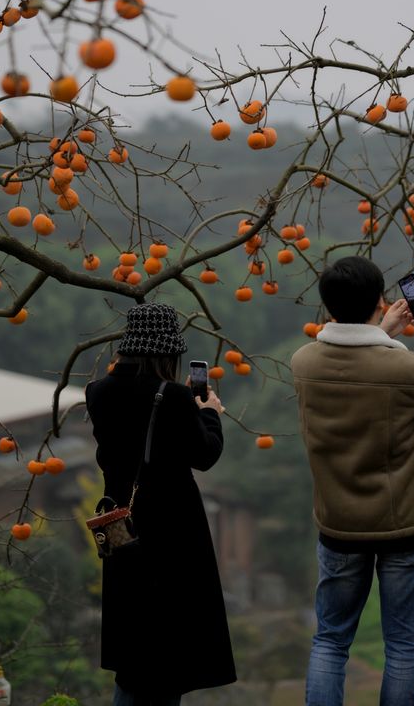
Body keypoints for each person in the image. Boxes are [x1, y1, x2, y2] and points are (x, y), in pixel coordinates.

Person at [291, 256, 414, 706]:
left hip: (339, 527)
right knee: (403, 646)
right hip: (406, 528)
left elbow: (357, 369)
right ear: (381, 301)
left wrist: (381, 332)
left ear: (328, 306)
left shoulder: (304, 363)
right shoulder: (407, 372)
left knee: (330, 641)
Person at [85, 302, 237, 706]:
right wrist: (209, 413)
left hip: (120, 528)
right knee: (168, 654)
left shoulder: (97, 393)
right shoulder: (172, 397)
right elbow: (205, 455)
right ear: (168, 352)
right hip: (171, 533)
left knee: (134, 652)